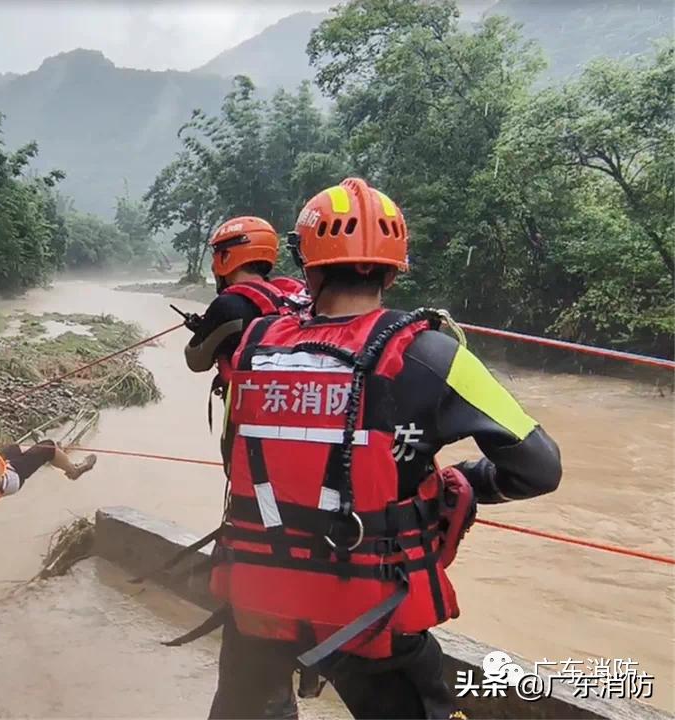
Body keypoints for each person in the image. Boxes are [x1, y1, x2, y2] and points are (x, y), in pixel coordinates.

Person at [188, 178, 562, 719]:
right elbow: (539, 468)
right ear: (393, 269)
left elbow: (235, 459)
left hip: (257, 597)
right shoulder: (434, 354)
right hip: (371, 610)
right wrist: (452, 485)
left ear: (308, 267)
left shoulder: (252, 349)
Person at [184, 217, 309, 426]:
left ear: (225, 257)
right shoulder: (293, 295)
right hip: (300, 410)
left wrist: (204, 329)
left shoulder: (228, 306)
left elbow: (196, 360)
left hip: (250, 425)